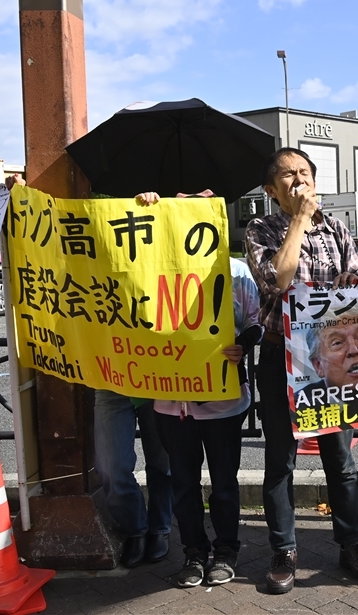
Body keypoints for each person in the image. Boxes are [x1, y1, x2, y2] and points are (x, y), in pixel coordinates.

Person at [5, 174, 172, 569]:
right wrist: (28, 196)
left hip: (161, 374)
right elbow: (58, 237)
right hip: (110, 379)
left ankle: (161, 528)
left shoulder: (156, 250)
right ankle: (134, 528)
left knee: (164, 463)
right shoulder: (91, 251)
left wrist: (158, 209)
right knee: (112, 467)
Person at [245, 148, 358, 593]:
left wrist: (350, 285)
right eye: (288, 175)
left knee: (340, 459)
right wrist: (300, 221)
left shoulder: (338, 228)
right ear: (271, 190)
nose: (299, 180)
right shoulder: (260, 228)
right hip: (280, 356)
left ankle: (352, 544)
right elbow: (277, 279)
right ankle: (283, 551)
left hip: (332, 361)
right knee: (280, 459)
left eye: (304, 172)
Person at [142, 191, 262, 587]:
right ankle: (193, 552)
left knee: (225, 482)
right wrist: (146, 208)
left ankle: (226, 550)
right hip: (168, 401)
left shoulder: (236, 271)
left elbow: (257, 319)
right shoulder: (149, 270)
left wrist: (243, 344)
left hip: (223, 400)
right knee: (182, 483)